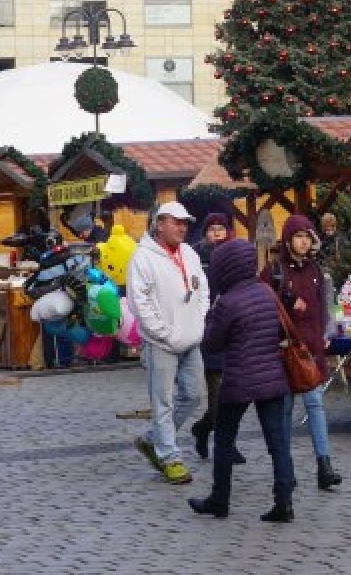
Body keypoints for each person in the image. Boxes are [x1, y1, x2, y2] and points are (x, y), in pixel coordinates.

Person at [189, 238, 297, 523]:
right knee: (278, 443)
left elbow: (211, 343)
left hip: (238, 378)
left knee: (224, 440)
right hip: (272, 376)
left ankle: (219, 499)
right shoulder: (266, 292)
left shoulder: (227, 302)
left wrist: (211, 315)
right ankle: (284, 501)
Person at [126, 201, 210, 486]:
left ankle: (153, 440)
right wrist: (162, 333)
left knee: (195, 395)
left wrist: (198, 322)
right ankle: (170, 457)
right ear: (159, 224)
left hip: (191, 338)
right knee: (162, 402)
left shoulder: (189, 253)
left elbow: (202, 290)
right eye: (176, 222)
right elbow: (140, 302)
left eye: (185, 222)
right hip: (160, 342)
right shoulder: (143, 257)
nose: (182, 227)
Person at [267, 214, 342, 490]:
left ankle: (324, 465)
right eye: (298, 236)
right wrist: (286, 299)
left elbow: (324, 306)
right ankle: (286, 470)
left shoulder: (315, 271)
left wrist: (326, 334)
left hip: (311, 351)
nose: (303, 242)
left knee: (315, 405)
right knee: (285, 410)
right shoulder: (275, 271)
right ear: (288, 240)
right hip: (285, 350)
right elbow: (265, 304)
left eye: (307, 237)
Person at [189, 214, 242, 465]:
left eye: (221, 229)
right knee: (219, 395)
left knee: (237, 396)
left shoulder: (236, 258)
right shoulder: (197, 260)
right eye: (212, 230)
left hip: (235, 334)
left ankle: (203, 428)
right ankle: (227, 446)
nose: (217, 234)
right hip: (210, 333)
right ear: (205, 234)